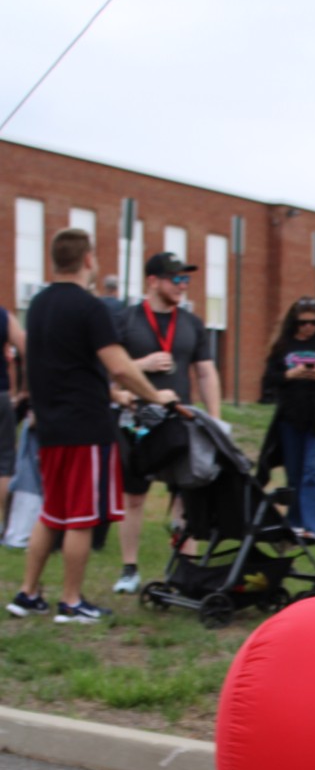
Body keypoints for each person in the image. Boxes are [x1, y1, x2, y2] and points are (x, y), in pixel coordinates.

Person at [7, 228, 173, 623]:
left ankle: (27, 594)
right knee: (81, 517)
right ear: (87, 260)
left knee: (52, 513)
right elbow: (119, 365)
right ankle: (71, 602)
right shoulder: (90, 307)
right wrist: (155, 396)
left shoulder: (38, 304)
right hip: (85, 429)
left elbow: (63, 366)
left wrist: (114, 395)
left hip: (50, 428)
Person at [113, 251, 222, 594]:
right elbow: (110, 370)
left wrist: (215, 419)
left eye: (186, 279)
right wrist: (142, 365)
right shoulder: (126, 320)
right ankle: (129, 569)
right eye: (176, 278)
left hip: (180, 422)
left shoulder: (191, 323)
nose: (182, 285)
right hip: (136, 421)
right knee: (134, 497)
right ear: (152, 281)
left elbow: (206, 372)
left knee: (185, 497)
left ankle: (185, 570)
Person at [259, 297, 315, 543]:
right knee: (294, 473)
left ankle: (314, 528)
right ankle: (295, 524)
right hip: (290, 416)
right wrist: (290, 374)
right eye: (303, 322)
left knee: (313, 472)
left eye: (314, 323)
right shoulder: (282, 346)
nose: (308, 327)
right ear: (293, 322)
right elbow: (269, 380)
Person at [1, 303, 26, 523]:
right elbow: (25, 347)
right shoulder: (3, 316)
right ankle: (2, 521)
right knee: (4, 459)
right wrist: (23, 390)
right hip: (1, 395)